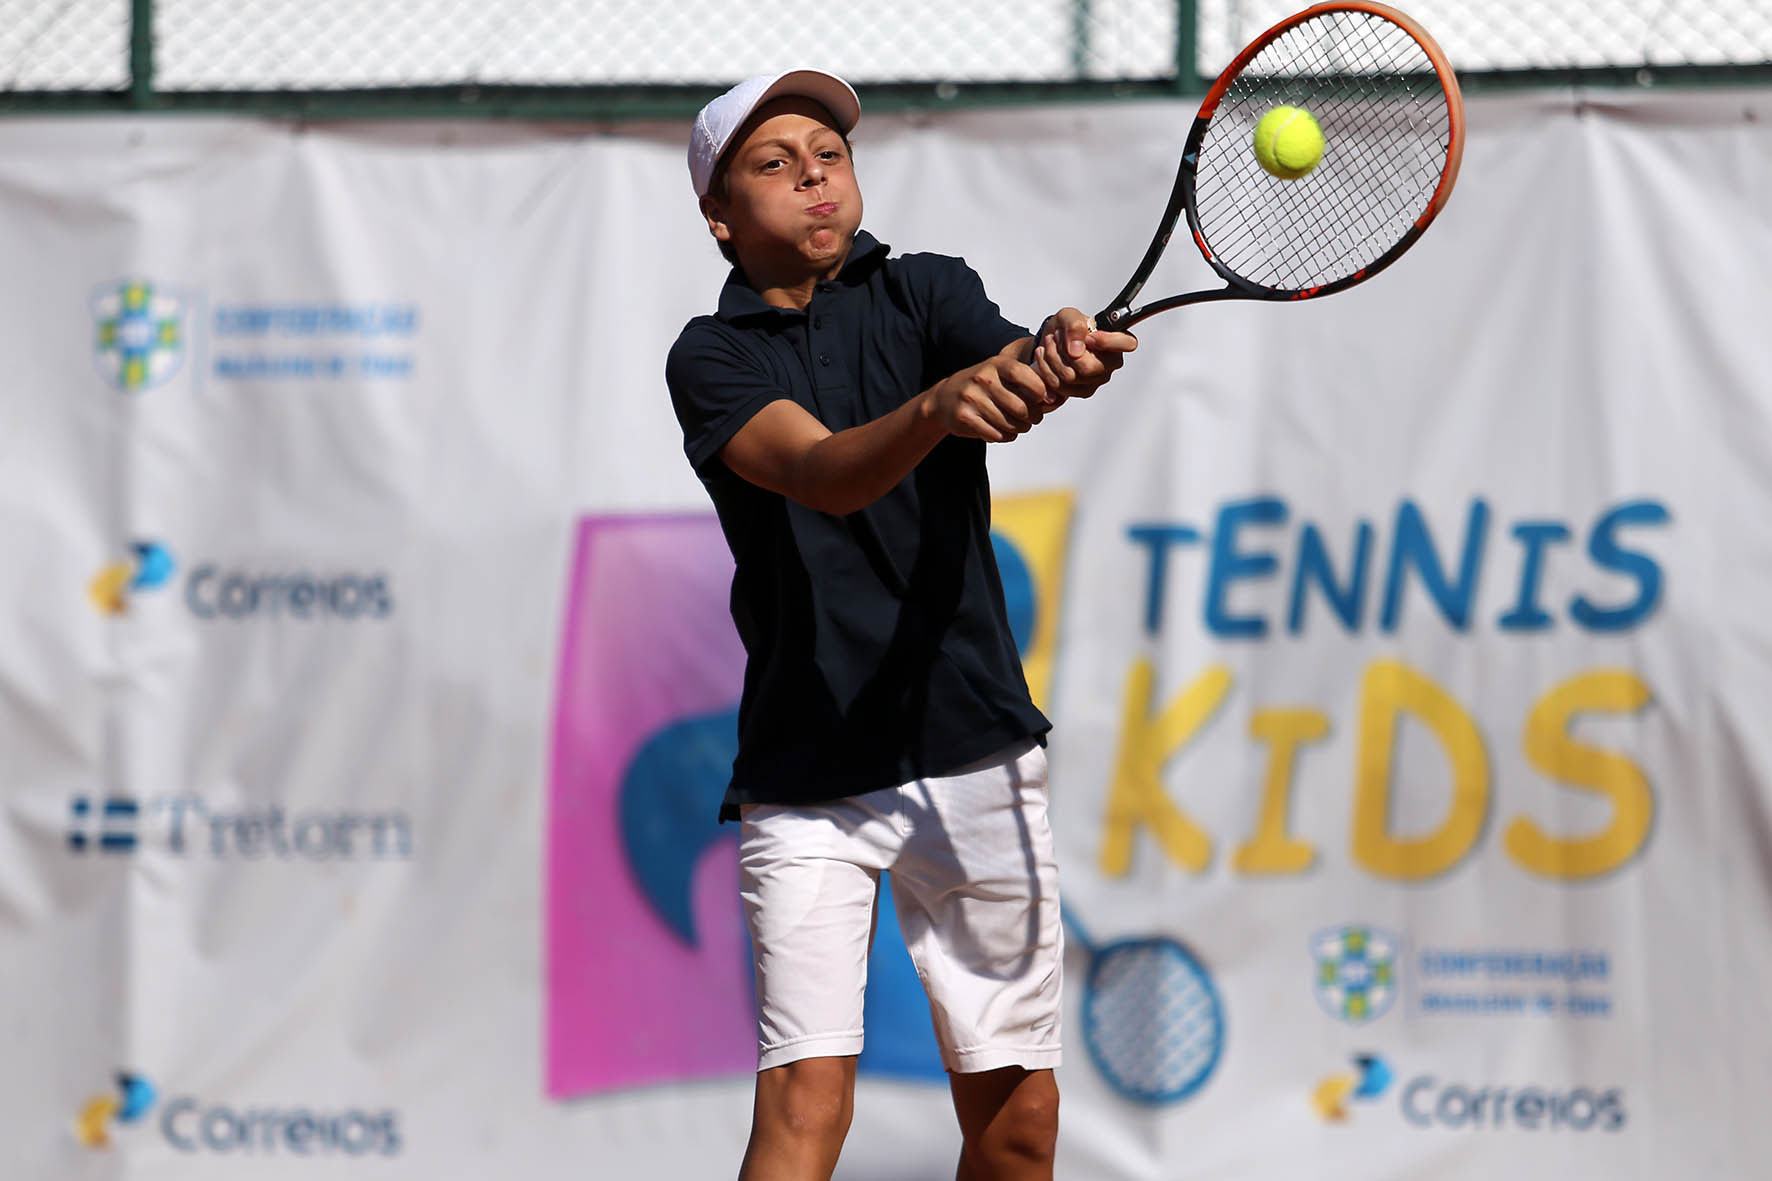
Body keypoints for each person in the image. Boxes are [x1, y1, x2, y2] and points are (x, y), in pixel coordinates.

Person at [664, 68, 1137, 1181]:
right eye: (774, 166)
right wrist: (938, 405)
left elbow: (1009, 361)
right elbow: (824, 474)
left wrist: (1052, 355)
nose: (814, 179)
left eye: (827, 155)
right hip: (807, 770)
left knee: (1018, 1131)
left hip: (973, 748)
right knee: (803, 1103)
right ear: (721, 217)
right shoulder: (709, 357)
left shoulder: (927, 290)